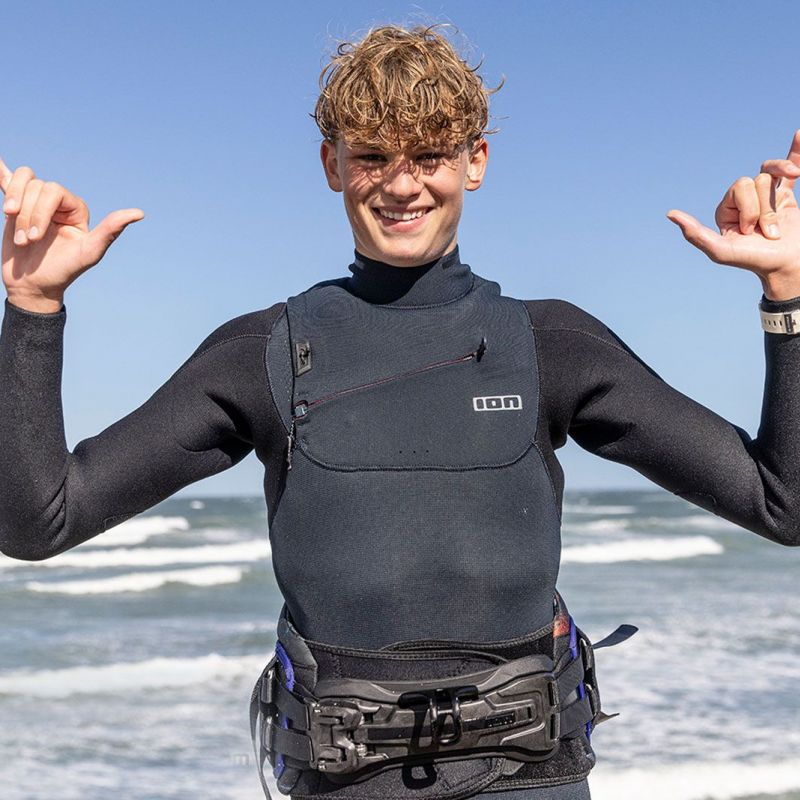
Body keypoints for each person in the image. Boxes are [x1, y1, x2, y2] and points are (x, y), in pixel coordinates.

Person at [1, 22, 799, 800]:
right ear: (332, 165)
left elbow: (783, 502)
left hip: (533, 781)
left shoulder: (551, 345)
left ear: (475, 161)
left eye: (430, 155)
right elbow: (38, 522)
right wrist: (34, 308)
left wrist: (788, 294)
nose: (403, 183)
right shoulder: (262, 354)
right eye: (374, 157)